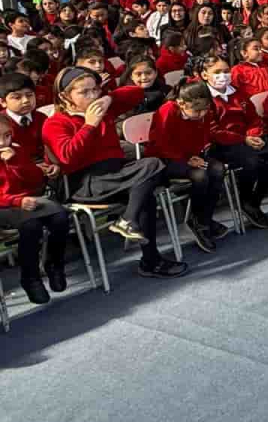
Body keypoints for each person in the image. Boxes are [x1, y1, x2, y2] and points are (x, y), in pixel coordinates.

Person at [43, 66, 184, 278]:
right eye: (84, 92)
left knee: (145, 194)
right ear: (64, 96)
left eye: (95, 89)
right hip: (85, 182)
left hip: (115, 173)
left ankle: (147, 255)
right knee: (151, 166)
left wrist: (108, 98)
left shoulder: (103, 107)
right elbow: (67, 157)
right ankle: (133, 229)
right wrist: (89, 125)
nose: (92, 96)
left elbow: (137, 93)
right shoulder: (55, 123)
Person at [197, 54, 268, 230]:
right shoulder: (204, 98)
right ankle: (245, 199)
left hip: (247, 138)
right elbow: (213, 131)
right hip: (221, 144)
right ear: (205, 74)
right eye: (217, 72)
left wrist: (254, 134)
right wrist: (244, 139)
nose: (223, 76)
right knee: (250, 160)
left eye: (226, 71)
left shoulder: (237, 92)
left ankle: (254, 200)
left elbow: (253, 117)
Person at [147, 82, 228, 253]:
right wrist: (186, 159)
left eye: (204, 110)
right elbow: (160, 143)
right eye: (197, 111)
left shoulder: (204, 111)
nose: (202, 114)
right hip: (166, 158)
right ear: (182, 103)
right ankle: (199, 221)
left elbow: (203, 135)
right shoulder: (168, 110)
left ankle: (203, 219)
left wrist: (196, 155)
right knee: (200, 176)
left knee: (218, 169)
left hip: (192, 155)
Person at [0, 113, 72, 304]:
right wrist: (17, 201)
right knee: (31, 226)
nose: (3, 142)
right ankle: (30, 278)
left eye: (7, 136)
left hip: (28, 199)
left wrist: (15, 161)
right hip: (5, 206)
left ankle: (54, 264)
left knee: (60, 216)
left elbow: (36, 179)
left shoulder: (16, 150)